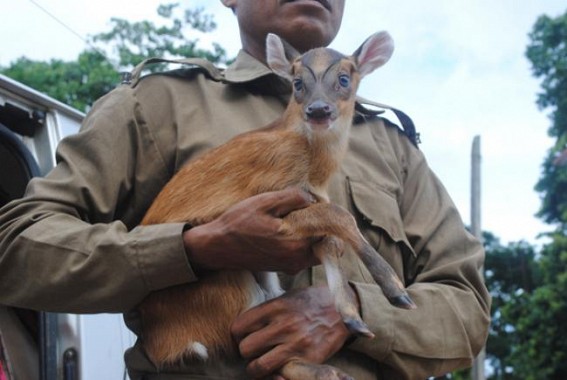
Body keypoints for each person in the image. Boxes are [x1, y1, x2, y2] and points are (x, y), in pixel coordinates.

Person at [0, 0, 491, 379]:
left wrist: (356, 312)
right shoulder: (158, 106)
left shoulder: (393, 147)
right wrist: (192, 248)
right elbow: (17, 249)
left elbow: (467, 305)